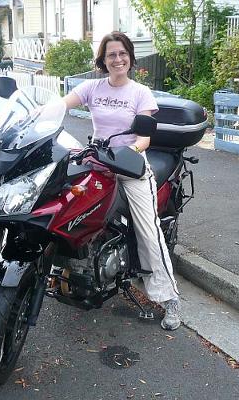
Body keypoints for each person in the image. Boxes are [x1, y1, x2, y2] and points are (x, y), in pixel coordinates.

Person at [63, 32, 180, 330]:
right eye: (111, 54)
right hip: (96, 161)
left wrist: (127, 152)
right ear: (102, 60)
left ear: (130, 56)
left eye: (122, 53)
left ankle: (169, 298)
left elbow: (144, 138)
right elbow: (61, 105)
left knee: (148, 230)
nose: (118, 59)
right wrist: (36, 115)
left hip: (129, 165)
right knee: (65, 209)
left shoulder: (140, 93)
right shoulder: (91, 87)